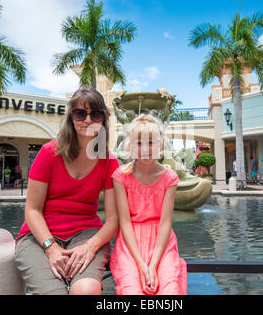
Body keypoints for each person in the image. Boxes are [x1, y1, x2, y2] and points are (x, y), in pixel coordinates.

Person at [14, 87, 119, 295]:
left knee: (86, 291)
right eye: (81, 113)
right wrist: (51, 248)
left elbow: (114, 219)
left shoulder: (109, 162)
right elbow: (32, 210)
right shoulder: (49, 153)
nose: (88, 120)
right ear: (71, 117)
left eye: (95, 114)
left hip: (87, 235)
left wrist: (89, 247)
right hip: (39, 238)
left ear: (103, 120)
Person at [110, 114, 187, 295]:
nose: (145, 149)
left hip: (162, 243)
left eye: (151, 142)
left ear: (160, 144)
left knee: (170, 289)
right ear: (130, 146)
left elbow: (165, 222)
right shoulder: (121, 176)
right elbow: (125, 222)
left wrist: (152, 265)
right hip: (130, 244)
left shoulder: (169, 178)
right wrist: (141, 264)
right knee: (131, 290)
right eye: (139, 143)